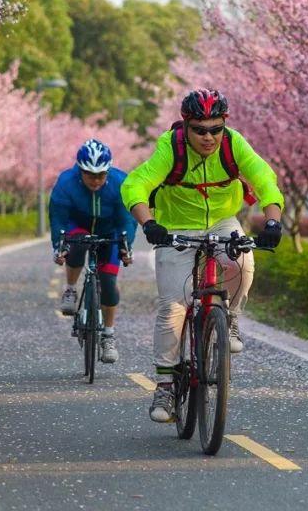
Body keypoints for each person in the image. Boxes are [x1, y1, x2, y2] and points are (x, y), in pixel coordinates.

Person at [121, 89, 283, 422]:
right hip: (175, 227)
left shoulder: (234, 144)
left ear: (224, 124)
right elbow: (136, 184)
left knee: (243, 259)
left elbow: (265, 179)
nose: (208, 137)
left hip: (222, 220)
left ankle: (232, 318)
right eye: (199, 129)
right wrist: (148, 222)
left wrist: (272, 221)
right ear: (186, 125)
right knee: (173, 307)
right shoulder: (171, 147)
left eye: (215, 129)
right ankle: (165, 384)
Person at [49, 138, 137, 364]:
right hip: (77, 225)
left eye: (101, 175)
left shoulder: (120, 182)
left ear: (108, 171)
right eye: (90, 175)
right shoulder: (66, 183)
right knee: (75, 246)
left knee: (108, 283)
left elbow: (127, 220)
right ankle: (70, 289)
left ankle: (108, 335)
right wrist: (59, 246)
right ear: (80, 170)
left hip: (110, 230)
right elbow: (58, 218)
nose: (96, 180)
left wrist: (127, 247)